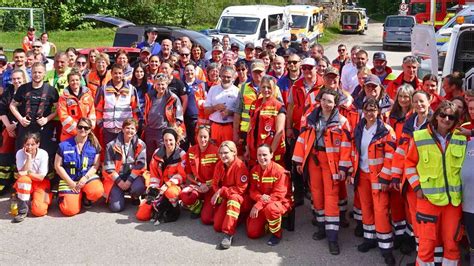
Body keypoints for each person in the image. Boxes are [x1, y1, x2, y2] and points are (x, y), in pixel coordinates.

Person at [293, 88, 353, 255]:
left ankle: (332, 236)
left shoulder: (342, 121)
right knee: (317, 194)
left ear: (335, 104)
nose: (326, 104)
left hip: (331, 162)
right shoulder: (311, 118)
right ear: (319, 101)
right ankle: (321, 227)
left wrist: (343, 167)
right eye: (324, 100)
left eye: (330, 101)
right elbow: (302, 139)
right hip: (314, 159)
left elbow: (347, 146)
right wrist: (299, 160)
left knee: (331, 196)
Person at [405, 101, 465, 265]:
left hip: (453, 202)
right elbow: (409, 165)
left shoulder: (461, 138)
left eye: (451, 117)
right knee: (426, 245)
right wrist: (417, 187)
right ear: (436, 116)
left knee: (452, 244)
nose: (446, 119)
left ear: (455, 119)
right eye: (443, 115)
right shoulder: (419, 136)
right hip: (427, 201)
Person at [352, 98, 397, 265]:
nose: (370, 113)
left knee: (381, 210)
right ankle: (369, 239)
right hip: (363, 174)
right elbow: (355, 151)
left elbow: (391, 157)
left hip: (378, 177)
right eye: (367, 110)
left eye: (373, 110)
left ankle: (386, 248)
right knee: (366, 208)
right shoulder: (359, 128)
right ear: (363, 111)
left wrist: (385, 177)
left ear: (378, 111)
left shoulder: (386, 130)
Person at [391, 90, 432, 256]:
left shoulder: (434, 123)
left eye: (422, 101)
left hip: (426, 180)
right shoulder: (410, 122)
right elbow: (401, 151)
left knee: (424, 219)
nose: (419, 105)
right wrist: (395, 175)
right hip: (409, 178)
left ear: (429, 101)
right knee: (413, 215)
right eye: (416, 102)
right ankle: (419, 252)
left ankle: (424, 254)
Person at [54, 117, 103, 216]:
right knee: (69, 211)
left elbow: (95, 165)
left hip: (85, 178)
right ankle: (68, 196)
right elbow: (57, 166)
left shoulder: (94, 145)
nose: (83, 130)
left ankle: (85, 196)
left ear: (90, 130)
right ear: (76, 128)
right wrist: (71, 183)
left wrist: (85, 178)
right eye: (80, 127)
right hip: (69, 179)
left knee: (97, 191)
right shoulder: (64, 145)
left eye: (86, 128)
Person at [10, 63, 59, 161]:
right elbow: (12, 105)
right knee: (22, 153)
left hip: (43, 129)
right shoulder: (23, 88)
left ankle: (41, 176)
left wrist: (47, 119)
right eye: (34, 72)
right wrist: (21, 119)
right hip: (25, 128)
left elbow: (59, 109)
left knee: (43, 155)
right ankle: (22, 175)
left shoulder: (51, 90)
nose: (37, 75)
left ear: (44, 73)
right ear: (31, 73)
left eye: (39, 72)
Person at [136, 128, 186, 223]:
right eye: (166, 140)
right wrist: (153, 189)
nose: (168, 143)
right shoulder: (157, 153)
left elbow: (181, 176)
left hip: (175, 186)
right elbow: (154, 174)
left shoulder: (181, 154)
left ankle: (175, 209)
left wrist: (167, 185)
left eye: (171, 140)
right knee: (141, 215)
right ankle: (158, 206)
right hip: (160, 186)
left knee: (171, 193)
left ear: (175, 140)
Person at [247, 144, 292, 246]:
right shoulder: (254, 170)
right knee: (252, 233)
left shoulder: (279, 171)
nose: (262, 158)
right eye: (259, 155)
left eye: (264, 155)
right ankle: (268, 222)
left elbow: (278, 195)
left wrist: (259, 204)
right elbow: (252, 191)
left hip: (279, 203)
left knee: (271, 209)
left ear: (271, 155)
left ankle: (277, 234)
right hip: (262, 203)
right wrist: (259, 198)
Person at [211, 141, 250, 249]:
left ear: (234, 152)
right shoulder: (219, 165)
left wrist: (222, 191)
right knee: (217, 226)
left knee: (234, 199)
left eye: (226, 153)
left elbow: (241, 189)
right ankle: (238, 218)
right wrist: (219, 192)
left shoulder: (240, 166)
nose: (223, 156)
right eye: (221, 153)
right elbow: (214, 184)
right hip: (227, 198)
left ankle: (228, 234)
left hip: (241, 199)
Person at [103, 118, 146, 212]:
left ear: (136, 131)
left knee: (139, 187)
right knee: (116, 208)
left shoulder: (141, 144)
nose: (129, 131)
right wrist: (120, 182)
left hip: (133, 176)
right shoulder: (111, 145)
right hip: (117, 177)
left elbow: (140, 165)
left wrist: (129, 181)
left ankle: (134, 196)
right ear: (122, 129)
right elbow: (109, 167)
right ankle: (117, 193)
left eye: (132, 128)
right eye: (127, 128)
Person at [179, 125, 219, 221]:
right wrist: (198, 184)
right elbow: (188, 173)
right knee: (184, 195)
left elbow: (220, 175)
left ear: (209, 137)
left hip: (211, 187)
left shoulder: (216, 151)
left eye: (205, 137)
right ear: (196, 137)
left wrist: (208, 185)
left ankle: (209, 206)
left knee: (206, 219)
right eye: (200, 136)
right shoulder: (191, 151)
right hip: (198, 185)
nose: (202, 139)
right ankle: (198, 207)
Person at [246, 76, 285, 168]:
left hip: (271, 150)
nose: (266, 90)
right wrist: (247, 148)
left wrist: (270, 152)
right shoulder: (254, 104)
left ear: (274, 88)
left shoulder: (279, 106)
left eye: (269, 87)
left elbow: (279, 132)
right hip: (254, 150)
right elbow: (250, 127)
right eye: (263, 87)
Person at [95, 64, 140, 145]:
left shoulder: (131, 89)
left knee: (123, 154)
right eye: (115, 73)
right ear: (111, 74)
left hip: (125, 130)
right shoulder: (103, 89)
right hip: (108, 129)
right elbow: (98, 109)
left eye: (120, 73)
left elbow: (136, 110)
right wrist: (101, 125)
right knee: (109, 154)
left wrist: (133, 127)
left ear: (123, 74)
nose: (117, 75)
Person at [143, 74, 184, 161]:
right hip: (150, 129)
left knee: (162, 153)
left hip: (163, 130)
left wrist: (173, 128)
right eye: (158, 84)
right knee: (149, 153)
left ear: (167, 84)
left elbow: (179, 115)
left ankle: (162, 171)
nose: (160, 86)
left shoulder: (172, 97)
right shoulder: (149, 96)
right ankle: (151, 172)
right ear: (154, 84)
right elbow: (146, 111)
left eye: (163, 84)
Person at [12, 133, 50, 222]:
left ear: (38, 144)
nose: (29, 147)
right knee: (23, 179)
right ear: (24, 145)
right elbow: (21, 175)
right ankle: (23, 211)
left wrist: (27, 172)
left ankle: (33, 199)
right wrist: (28, 158)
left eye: (32, 144)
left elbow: (41, 177)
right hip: (27, 181)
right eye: (27, 144)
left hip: (41, 182)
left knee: (39, 211)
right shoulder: (20, 153)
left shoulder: (43, 154)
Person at [0, 70, 26, 193]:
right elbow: (2, 110)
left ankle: (17, 183)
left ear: (24, 78)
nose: (16, 81)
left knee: (20, 154)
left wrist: (16, 125)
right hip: (8, 127)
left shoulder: (28, 90)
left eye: (19, 78)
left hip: (23, 127)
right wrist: (8, 126)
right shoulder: (8, 91)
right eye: (14, 79)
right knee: (5, 153)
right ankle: (4, 182)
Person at [57, 69, 95, 142]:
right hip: (69, 135)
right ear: (68, 82)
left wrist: (87, 129)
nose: (75, 82)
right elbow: (63, 117)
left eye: (77, 80)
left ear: (80, 81)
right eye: (72, 80)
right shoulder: (63, 98)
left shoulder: (88, 95)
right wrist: (79, 130)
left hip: (86, 134)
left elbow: (92, 113)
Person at [204, 66, 238, 147]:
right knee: (214, 152)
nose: (225, 79)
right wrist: (215, 108)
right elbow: (206, 110)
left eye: (228, 77)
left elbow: (240, 112)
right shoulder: (213, 89)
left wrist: (230, 112)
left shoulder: (237, 91)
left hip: (230, 126)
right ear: (220, 76)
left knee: (228, 151)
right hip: (215, 126)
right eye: (223, 76)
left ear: (233, 78)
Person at [460, 99, 474, 264]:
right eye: (470, 108)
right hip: (468, 196)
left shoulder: (468, 131)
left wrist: (470, 134)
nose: (472, 111)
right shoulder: (464, 127)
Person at [183, 63, 207, 147]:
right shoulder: (181, 84)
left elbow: (205, 99)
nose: (189, 72)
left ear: (195, 71)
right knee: (184, 142)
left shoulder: (201, 84)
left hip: (196, 118)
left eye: (191, 70)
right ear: (184, 72)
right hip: (183, 119)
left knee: (196, 142)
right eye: (187, 70)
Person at [130, 65, 153, 135]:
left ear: (144, 73)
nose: (139, 74)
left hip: (144, 116)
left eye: (141, 71)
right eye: (137, 71)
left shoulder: (149, 86)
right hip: (132, 115)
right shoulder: (129, 85)